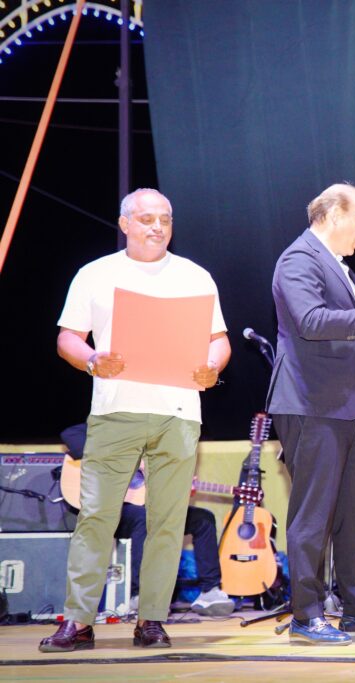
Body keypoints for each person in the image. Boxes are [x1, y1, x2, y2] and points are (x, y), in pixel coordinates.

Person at [40, 189, 230, 652]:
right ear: (124, 223)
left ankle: (151, 620)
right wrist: (90, 361)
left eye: (165, 218)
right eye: (146, 218)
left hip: (179, 412)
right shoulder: (96, 274)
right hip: (116, 409)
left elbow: (218, 340)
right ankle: (79, 621)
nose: (157, 227)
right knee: (97, 517)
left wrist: (213, 366)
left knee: (167, 520)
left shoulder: (195, 276)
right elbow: (68, 337)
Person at [268, 183, 355, 645]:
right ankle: (306, 615)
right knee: (313, 517)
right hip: (310, 405)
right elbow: (310, 321)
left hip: (347, 407)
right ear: (332, 215)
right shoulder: (298, 260)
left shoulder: (342, 270)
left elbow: (348, 336)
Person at [59, 423, 235, 617]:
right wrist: (130, 460)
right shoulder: (114, 426)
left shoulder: (165, 440)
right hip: (111, 510)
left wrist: (178, 486)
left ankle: (210, 592)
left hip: (147, 506)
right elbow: (71, 435)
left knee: (203, 518)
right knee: (144, 518)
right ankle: (140, 595)